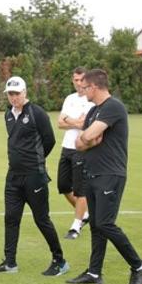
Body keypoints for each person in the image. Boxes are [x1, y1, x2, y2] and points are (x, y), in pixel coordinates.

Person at [67, 68, 142, 284]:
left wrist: (89, 139)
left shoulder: (113, 106)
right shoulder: (95, 110)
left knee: (105, 223)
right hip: (93, 173)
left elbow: (85, 136)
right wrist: (90, 140)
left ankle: (139, 266)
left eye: (84, 86)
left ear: (94, 86)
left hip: (110, 174)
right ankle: (94, 272)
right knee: (96, 225)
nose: (82, 90)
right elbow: (79, 141)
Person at [0, 76, 67, 276]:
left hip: (35, 176)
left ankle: (59, 261)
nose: (13, 98)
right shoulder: (7, 114)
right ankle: (10, 262)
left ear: (25, 93)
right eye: (10, 94)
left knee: (41, 219)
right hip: (13, 176)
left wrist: (35, 160)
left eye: (16, 94)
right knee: (11, 218)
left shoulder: (37, 113)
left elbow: (49, 140)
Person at [56, 67, 91, 239]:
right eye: (75, 79)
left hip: (82, 148)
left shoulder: (91, 100)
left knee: (80, 189)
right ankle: (85, 214)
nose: (78, 83)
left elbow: (84, 124)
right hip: (66, 147)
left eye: (81, 79)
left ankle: (76, 226)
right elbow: (59, 123)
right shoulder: (70, 98)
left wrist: (69, 120)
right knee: (63, 186)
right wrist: (75, 122)